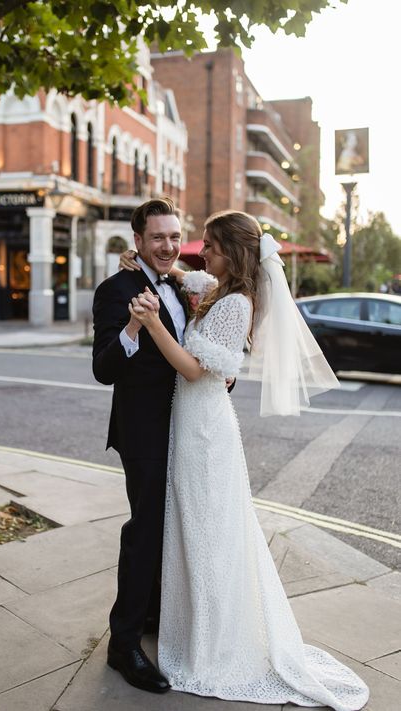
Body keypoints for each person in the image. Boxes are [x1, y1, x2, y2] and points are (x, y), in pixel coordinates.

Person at [126, 210, 369, 710]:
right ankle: (199, 627)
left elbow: (195, 369)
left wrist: (151, 323)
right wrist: (158, 269)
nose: (202, 254)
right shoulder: (218, 288)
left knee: (210, 532)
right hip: (192, 424)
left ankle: (219, 644)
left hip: (206, 429)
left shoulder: (236, 304)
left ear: (233, 253)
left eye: (210, 246)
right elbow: (188, 276)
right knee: (196, 528)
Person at [92, 197, 187, 694]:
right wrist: (132, 326)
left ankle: (151, 613)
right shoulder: (115, 290)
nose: (168, 246)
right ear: (138, 241)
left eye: (174, 236)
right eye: (158, 238)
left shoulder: (184, 284)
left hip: (189, 428)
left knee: (177, 525)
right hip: (144, 430)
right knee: (146, 528)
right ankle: (123, 642)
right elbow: (104, 368)